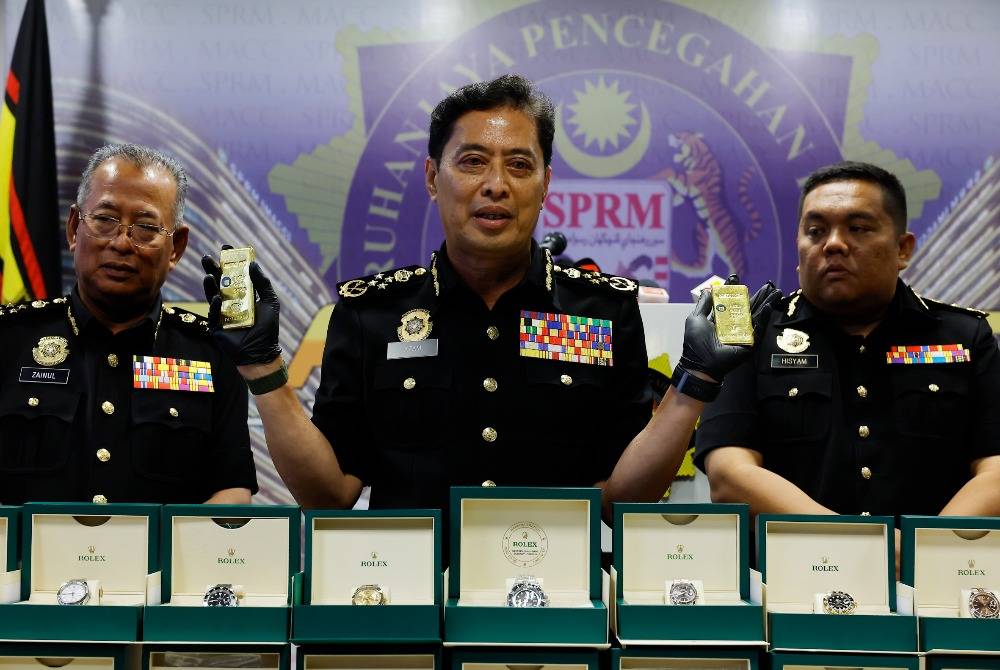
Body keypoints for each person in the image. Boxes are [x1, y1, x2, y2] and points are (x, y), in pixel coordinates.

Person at [204, 74, 779, 518]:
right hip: (409, 601)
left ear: (547, 182)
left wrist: (694, 383)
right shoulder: (371, 314)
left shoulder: (604, 311)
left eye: (520, 165)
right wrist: (263, 369)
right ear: (433, 177)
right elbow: (328, 496)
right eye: (473, 161)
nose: (496, 185)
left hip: (559, 603)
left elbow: (623, 496)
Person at [696, 161, 1000, 539]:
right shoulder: (749, 333)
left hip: (932, 580)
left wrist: (928, 549)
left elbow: (995, 471)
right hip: (791, 581)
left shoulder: (964, 337)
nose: (834, 243)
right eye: (815, 231)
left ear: (903, 249)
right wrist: (855, 543)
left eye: (857, 228)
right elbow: (729, 473)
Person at [0, 143, 257, 505]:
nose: (122, 243)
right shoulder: (9, 341)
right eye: (105, 220)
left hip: (162, 562)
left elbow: (230, 489)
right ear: (74, 228)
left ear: (176, 248)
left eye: (146, 228)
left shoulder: (212, 353)